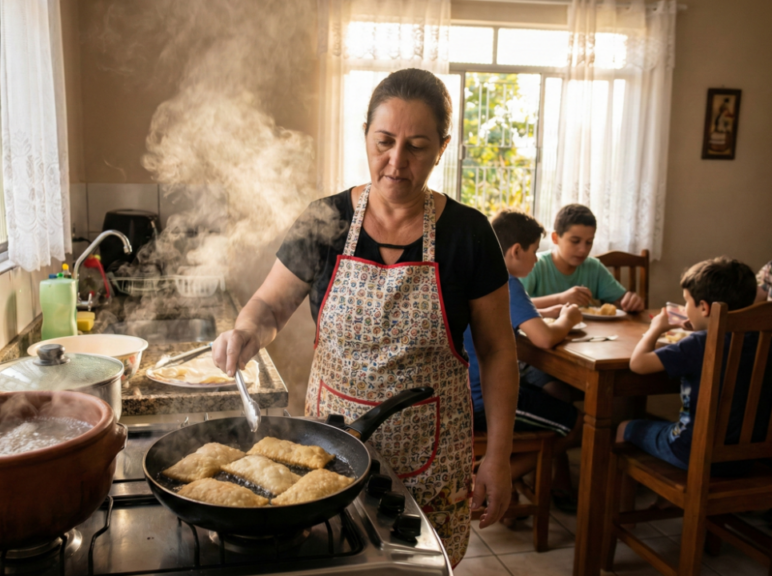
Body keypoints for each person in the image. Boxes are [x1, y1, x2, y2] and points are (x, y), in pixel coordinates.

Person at [212, 68, 518, 565]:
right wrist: (247, 330)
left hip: (432, 458)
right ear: (365, 135)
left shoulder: (469, 235)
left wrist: (498, 456)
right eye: (384, 141)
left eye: (416, 146)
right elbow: (270, 305)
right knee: (331, 563)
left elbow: (499, 351)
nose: (396, 161)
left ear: (441, 148)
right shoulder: (325, 220)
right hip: (329, 452)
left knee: (420, 571)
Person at [464, 209, 583, 515]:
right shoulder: (506, 282)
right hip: (484, 400)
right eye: (534, 251)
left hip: (465, 395)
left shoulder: (479, 273)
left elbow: (517, 312)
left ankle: (497, 475)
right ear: (516, 250)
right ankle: (485, 481)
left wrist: (551, 308)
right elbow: (543, 338)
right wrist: (568, 319)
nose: (537, 259)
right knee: (574, 424)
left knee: (550, 395)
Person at [619, 257, 767, 475]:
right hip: (749, 456)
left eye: (687, 301)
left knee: (625, 428)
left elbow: (638, 364)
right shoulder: (763, 339)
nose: (686, 308)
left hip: (692, 450)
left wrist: (655, 328)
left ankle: (622, 495)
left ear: (704, 307)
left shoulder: (699, 344)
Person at [522, 204, 645, 313]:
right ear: (555, 238)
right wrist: (559, 299)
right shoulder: (535, 264)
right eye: (575, 241)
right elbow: (515, 304)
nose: (583, 249)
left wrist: (631, 301)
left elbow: (621, 299)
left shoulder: (594, 268)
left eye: (589, 242)